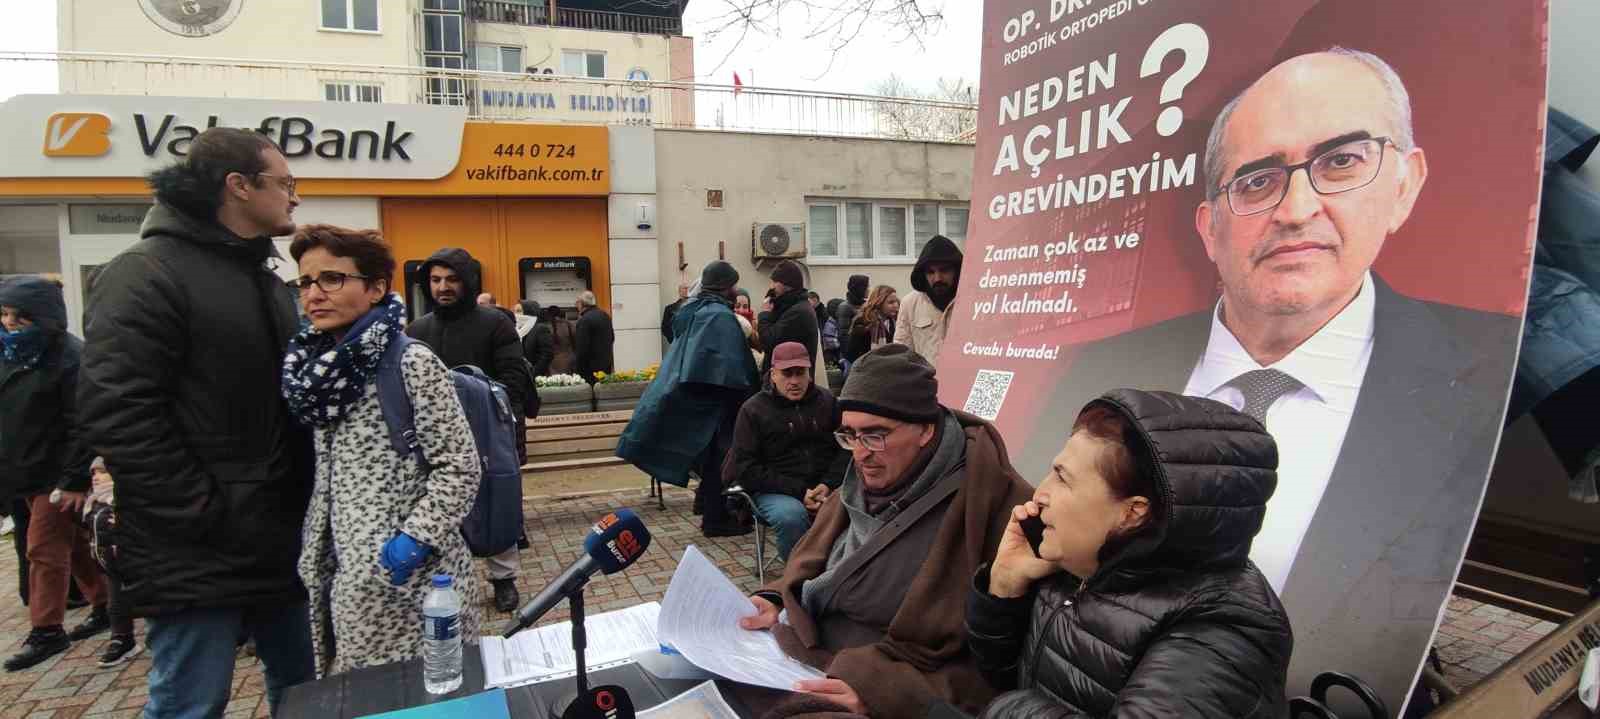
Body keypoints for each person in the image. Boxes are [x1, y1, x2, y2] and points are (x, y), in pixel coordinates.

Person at [1016, 49, 1520, 708]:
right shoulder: (1094, 367)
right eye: (1257, 179)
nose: (1296, 208)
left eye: (1340, 161)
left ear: (1404, 183)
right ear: (1210, 227)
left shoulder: (1482, 377)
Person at [78, 127, 315, 717]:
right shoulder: (144, 272)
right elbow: (119, 411)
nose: (295, 197)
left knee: (307, 698)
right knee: (191, 703)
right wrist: (199, 511)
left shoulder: (264, 279)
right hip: (198, 551)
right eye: (285, 183)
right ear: (238, 186)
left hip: (280, 540)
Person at [738, 344, 1033, 717]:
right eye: (849, 436)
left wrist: (887, 693)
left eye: (876, 435)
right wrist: (777, 598)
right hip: (798, 657)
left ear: (926, 429)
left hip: (884, 691)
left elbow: (1003, 662)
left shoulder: (997, 504)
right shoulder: (859, 482)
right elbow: (817, 567)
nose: (860, 454)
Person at [965, 389, 1292, 718]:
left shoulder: (1221, 628)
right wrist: (1004, 586)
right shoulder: (1081, 564)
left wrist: (1008, 712)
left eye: (1063, 478)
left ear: (1133, 512)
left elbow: (1012, 698)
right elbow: (1004, 674)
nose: (1041, 493)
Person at [283, 225, 483, 676]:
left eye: (332, 279)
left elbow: (460, 466)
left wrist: (415, 537)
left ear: (375, 288)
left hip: (414, 588)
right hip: (341, 578)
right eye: (305, 282)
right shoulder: (314, 370)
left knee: (422, 696)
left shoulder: (408, 361)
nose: (315, 293)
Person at [405, 247, 528, 613]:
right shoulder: (417, 330)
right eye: (436, 280)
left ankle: (503, 580)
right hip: (433, 444)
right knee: (440, 510)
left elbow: (513, 381)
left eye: (452, 279)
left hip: (486, 434)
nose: (443, 287)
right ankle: (447, 585)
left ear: (469, 281)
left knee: (495, 507)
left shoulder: (495, 324)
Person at [0, 276, 110, 671]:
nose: (10, 322)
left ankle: (47, 630)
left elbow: (83, 423)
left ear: (42, 317)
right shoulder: (11, 353)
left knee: (43, 549)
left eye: (19, 316)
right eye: (5, 313)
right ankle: (106, 605)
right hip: (25, 471)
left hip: (57, 476)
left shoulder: (70, 359)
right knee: (75, 545)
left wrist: (74, 479)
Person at [618, 261, 759, 537]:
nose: (735, 290)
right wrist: (748, 395)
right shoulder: (718, 316)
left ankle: (709, 509)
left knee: (710, 461)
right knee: (721, 460)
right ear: (724, 285)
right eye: (732, 284)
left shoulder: (692, 310)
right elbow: (730, 366)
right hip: (717, 403)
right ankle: (716, 519)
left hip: (697, 401)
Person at [722, 342, 846, 560]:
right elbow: (745, 468)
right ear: (773, 375)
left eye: (800, 373)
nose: (794, 381)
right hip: (775, 489)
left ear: (809, 372)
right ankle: (796, 576)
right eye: (787, 374)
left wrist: (828, 484)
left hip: (826, 485)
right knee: (791, 517)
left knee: (856, 504)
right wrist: (800, 491)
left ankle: (838, 569)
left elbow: (846, 448)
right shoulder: (753, 410)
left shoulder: (827, 401)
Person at [81, 457, 143, 667]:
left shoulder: (123, 499)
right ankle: (122, 637)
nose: (97, 478)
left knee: (150, 601)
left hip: (135, 561)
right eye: (94, 474)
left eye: (102, 472)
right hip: (109, 563)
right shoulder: (93, 502)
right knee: (115, 604)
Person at [894, 235, 961, 364]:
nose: (937, 278)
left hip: (964, 380)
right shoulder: (910, 304)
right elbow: (901, 353)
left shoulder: (974, 302)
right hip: (925, 382)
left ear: (957, 270)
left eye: (944, 270)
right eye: (931, 272)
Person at [756, 260, 821, 373]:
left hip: (790, 381)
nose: (771, 286)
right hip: (786, 380)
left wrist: (765, 313)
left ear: (785, 284)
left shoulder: (798, 313)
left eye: (774, 282)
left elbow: (768, 341)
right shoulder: (793, 307)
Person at [843, 285, 899, 365]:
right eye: (891, 302)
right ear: (879, 302)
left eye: (896, 301)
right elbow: (853, 353)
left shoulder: (893, 321)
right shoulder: (864, 322)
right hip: (863, 368)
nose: (896, 305)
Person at [574, 290, 615, 384]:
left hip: (589, 369)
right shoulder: (605, 316)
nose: (576, 306)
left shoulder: (584, 320)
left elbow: (582, 348)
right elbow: (612, 338)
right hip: (606, 365)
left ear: (581, 304)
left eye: (577, 303)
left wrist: (578, 369)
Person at [517, 300, 555, 377]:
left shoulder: (540, 328)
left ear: (529, 311)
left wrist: (534, 372)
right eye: (514, 311)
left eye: (519, 311)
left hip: (535, 376)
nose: (516, 314)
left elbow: (547, 354)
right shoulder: (517, 329)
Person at [834, 274, 870, 350]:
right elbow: (843, 336)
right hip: (852, 353)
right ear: (860, 288)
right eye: (867, 287)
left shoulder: (866, 305)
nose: (869, 290)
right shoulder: (845, 307)